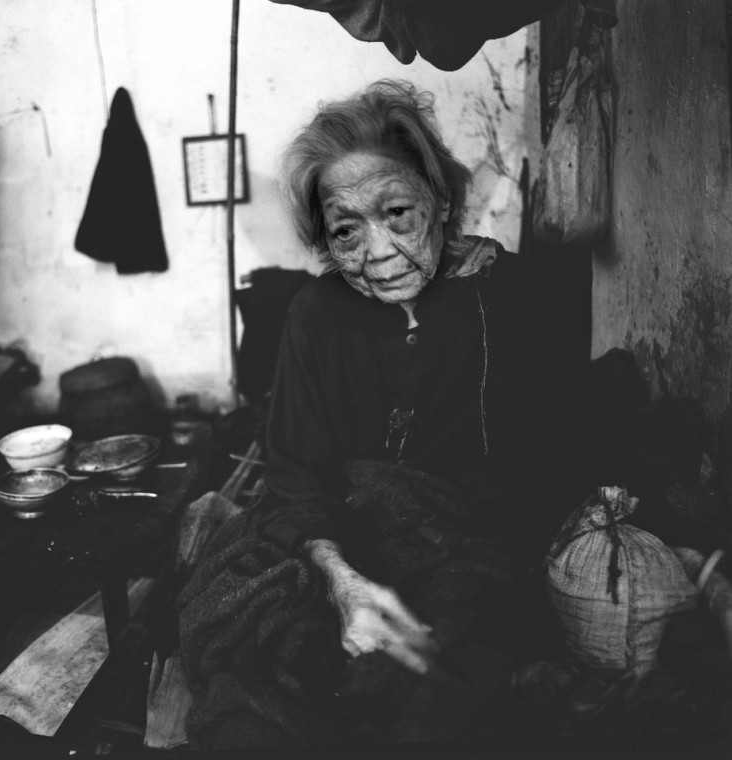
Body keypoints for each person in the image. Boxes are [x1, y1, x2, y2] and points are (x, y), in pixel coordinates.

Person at [178, 80, 555, 747]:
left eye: (398, 213)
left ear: (441, 201)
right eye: (347, 231)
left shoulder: (505, 294)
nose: (377, 252)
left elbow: (541, 459)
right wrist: (342, 582)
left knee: (439, 667)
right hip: (334, 535)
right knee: (259, 640)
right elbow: (296, 476)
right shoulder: (314, 315)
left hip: (462, 541)